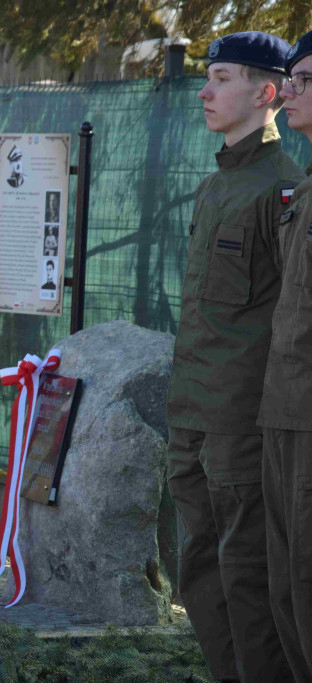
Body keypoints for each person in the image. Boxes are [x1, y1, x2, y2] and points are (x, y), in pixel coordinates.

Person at [165, 32, 302, 683]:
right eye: (207, 77)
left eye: (222, 79)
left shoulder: (285, 190)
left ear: (266, 92)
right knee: (198, 572)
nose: (205, 91)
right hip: (192, 413)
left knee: (249, 577)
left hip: (242, 425)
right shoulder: (214, 187)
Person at [258, 29, 312, 682]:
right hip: (283, 412)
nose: (290, 91)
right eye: (290, 78)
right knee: (287, 590)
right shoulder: (303, 192)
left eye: (305, 80)